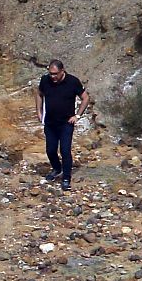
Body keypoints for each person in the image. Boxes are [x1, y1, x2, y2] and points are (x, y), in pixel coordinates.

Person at [36, 59, 90, 191]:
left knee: (65, 151)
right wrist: (39, 111)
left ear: (62, 71)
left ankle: (66, 178)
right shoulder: (45, 80)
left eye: (55, 74)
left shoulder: (72, 82)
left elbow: (85, 98)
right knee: (50, 150)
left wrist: (77, 115)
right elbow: (39, 94)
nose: (53, 76)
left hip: (66, 123)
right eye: (50, 74)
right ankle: (56, 168)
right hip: (50, 122)